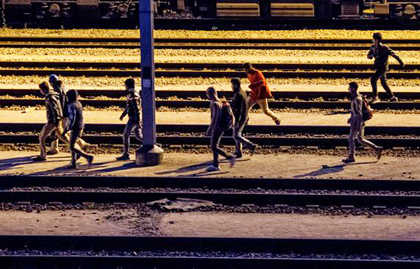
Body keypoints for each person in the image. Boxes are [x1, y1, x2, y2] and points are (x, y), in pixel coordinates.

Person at [342, 82, 383, 163]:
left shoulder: (357, 99)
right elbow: (355, 110)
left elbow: (359, 113)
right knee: (360, 139)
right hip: (357, 120)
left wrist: (358, 124)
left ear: (353, 88)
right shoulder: (356, 97)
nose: (348, 89)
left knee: (351, 138)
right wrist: (351, 117)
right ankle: (377, 149)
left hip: (357, 121)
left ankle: (351, 156)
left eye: (349, 87)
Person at [48, 75, 89, 154]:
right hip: (65, 114)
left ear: (51, 83)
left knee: (62, 133)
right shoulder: (63, 87)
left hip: (62, 114)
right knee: (57, 131)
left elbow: (61, 104)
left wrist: (59, 115)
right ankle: (54, 147)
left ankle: (81, 145)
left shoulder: (57, 90)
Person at [32, 81, 72, 161]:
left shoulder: (50, 97)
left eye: (40, 90)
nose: (40, 91)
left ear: (43, 90)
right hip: (56, 120)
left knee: (42, 137)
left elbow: (55, 110)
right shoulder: (53, 95)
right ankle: (76, 150)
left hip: (52, 121)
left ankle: (43, 156)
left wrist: (55, 121)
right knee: (63, 137)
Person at [368, 32, 405, 104]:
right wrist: (371, 55)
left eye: (373, 39)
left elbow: (393, 54)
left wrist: (400, 61)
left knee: (373, 80)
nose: (372, 41)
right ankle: (392, 97)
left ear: (377, 40)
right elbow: (369, 56)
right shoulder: (373, 47)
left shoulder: (384, 48)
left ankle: (375, 97)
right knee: (383, 82)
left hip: (383, 67)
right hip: (378, 67)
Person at [205, 86, 236, 172]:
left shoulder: (214, 103)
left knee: (214, 147)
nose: (207, 95)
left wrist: (210, 129)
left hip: (217, 128)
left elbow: (215, 117)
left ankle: (229, 157)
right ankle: (215, 164)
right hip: (220, 127)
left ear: (210, 94)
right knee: (215, 146)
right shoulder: (219, 102)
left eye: (207, 93)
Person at [63, 90, 94, 168]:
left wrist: (66, 129)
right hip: (80, 125)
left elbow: (72, 119)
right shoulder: (78, 103)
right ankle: (73, 163)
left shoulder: (71, 105)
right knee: (72, 144)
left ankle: (88, 157)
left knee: (71, 147)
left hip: (75, 127)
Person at [116, 78, 143, 160]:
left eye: (125, 85)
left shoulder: (132, 95)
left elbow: (135, 108)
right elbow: (130, 106)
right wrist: (123, 114)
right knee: (138, 136)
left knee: (126, 135)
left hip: (133, 118)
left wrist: (137, 121)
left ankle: (126, 154)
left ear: (127, 85)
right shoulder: (135, 93)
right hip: (136, 117)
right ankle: (150, 143)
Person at [230, 78, 258, 158]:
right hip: (243, 116)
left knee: (236, 135)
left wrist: (237, 120)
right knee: (237, 133)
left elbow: (239, 109)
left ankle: (251, 145)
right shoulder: (241, 92)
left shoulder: (238, 94)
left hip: (241, 117)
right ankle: (238, 152)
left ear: (235, 85)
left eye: (232, 85)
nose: (231, 86)